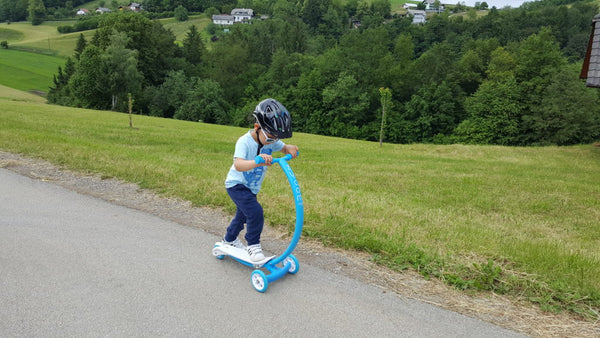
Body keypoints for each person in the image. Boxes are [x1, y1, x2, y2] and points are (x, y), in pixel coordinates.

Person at [223, 98, 299, 262]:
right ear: (257, 128)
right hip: (236, 184)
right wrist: (257, 160)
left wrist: (289, 148)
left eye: (276, 138)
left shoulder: (271, 139)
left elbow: (284, 147)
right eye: (271, 137)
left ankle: (229, 240)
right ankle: (253, 245)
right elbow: (238, 164)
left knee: (243, 215)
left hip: (251, 188)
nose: (274, 141)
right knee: (255, 212)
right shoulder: (244, 141)